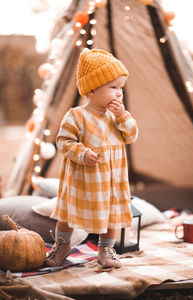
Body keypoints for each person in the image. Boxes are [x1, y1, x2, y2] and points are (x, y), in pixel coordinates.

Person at [45, 48, 138, 268]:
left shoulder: (118, 116)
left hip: (112, 181)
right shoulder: (77, 115)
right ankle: (62, 245)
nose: (118, 93)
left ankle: (106, 250)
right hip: (83, 181)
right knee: (67, 215)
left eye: (121, 88)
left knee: (112, 217)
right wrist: (82, 153)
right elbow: (63, 142)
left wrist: (122, 116)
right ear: (91, 91)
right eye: (113, 87)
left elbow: (132, 135)